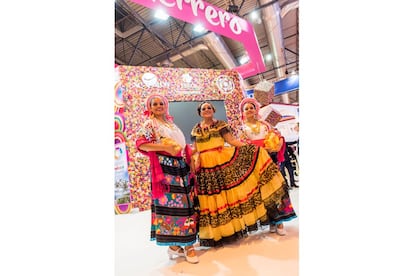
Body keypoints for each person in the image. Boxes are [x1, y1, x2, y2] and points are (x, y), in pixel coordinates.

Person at [190, 101, 297, 247]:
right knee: (215, 198)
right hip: (206, 167)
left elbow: (232, 141)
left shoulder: (221, 125)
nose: (207, 110)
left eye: (209, 107)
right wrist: (190, 159)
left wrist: (252, 149)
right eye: (204, 108)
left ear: (213, 110)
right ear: (200, 112)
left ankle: (277, 221)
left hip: (231, 160)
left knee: (268, 185)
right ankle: (221, 232)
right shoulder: (196, 129)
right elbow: (194, 149)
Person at [136, 94, 199, 264]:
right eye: (154, 104)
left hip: (180, 166)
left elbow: (180, 144)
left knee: (187, 203)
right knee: (175, 206)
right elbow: (141, 144)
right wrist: (164, 147)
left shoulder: (171, 123)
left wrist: (190, 155)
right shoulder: (149, 124)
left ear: (166, 106)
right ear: (149, 107)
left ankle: (175, 247)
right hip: (165, 169)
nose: (158, 106)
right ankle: (187, 245)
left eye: (161, 103)